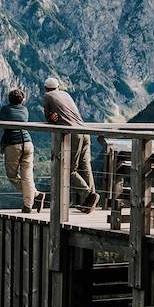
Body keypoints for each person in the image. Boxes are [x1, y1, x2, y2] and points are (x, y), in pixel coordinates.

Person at [42, 77, 98, 213]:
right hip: (85, 131)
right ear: (58, 87)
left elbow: (48, 118)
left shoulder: (47, 96)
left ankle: (89, 195)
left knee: (69, 169)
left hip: (73, 134)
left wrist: (51, 118)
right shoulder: (66, 94)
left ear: (45, 88)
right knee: (85, 167)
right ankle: (89, 203)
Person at [0, 89, 44, 213]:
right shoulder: (25, 110)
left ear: (9, 99)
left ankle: (35, 195)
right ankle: (28, 205)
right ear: (22, 100)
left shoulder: (5, 109)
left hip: (13, 144)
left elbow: (0, 122)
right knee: (27, 176)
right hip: (28, 142)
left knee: (12, 175)